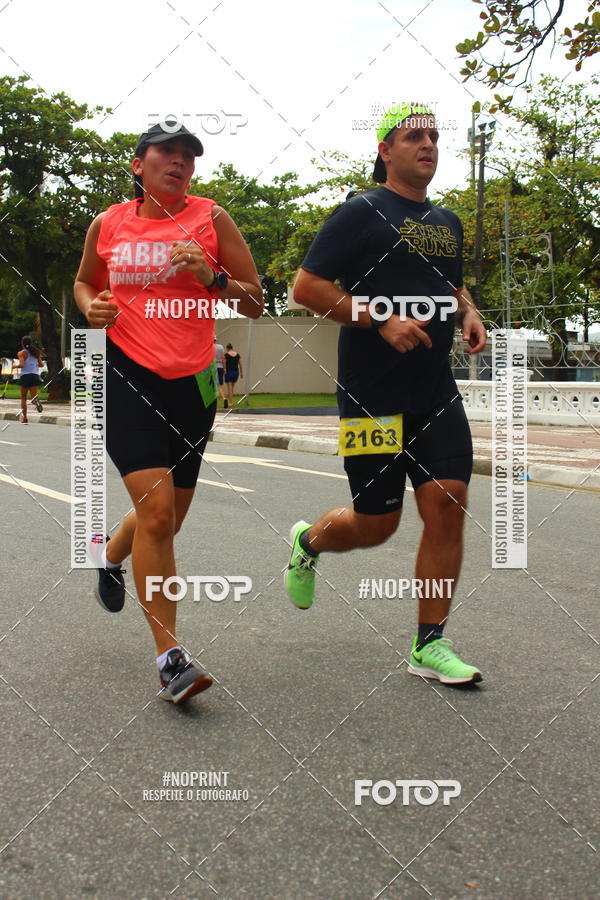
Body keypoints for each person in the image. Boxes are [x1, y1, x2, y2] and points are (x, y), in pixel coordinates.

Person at [285, 103, 487, 685]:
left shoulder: (448, 221)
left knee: (448, 503)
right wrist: (379, 320)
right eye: (412, 135)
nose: (427, 143)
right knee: (377, 524)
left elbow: (445, 281)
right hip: (371, 394)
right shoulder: (360, 212)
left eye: (433, 135)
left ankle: (429, 645)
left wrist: (467, 310)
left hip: (435, 391)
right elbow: (307, 288)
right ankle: (309, 541)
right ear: (385, 150)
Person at [74, 120, 263, 702]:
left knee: (168, 518)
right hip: (127, 376)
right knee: (156, 515)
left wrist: (213, 278)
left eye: (188, 154)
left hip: (191, 384)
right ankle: (170, 658)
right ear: (139, 165)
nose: (179, 162)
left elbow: (255, 300)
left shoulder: (212, 219)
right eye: (167, 152)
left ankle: (110, 554)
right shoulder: (108, 223)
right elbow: (84, 283)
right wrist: (92, 309)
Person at [17, 336, 43, 422]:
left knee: (23, 398)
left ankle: (25, 418)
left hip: (25, 376)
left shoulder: (21, 353)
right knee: (33, 397)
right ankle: (36, 402)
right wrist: (34, 364)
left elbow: (22, 365)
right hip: (35, 376)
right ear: (30, 343)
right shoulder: (36, 352)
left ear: (22, 343)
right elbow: (42, 364)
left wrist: (13, 366)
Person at [214, 337, 226, 405]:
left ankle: (214, 399)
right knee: (220, 385)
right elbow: (223, 358)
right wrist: (224, 368)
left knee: (214, 384)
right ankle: (224, 398)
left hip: (213, 368)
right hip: (220, 367)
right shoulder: (221, 347)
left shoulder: (210, 347)